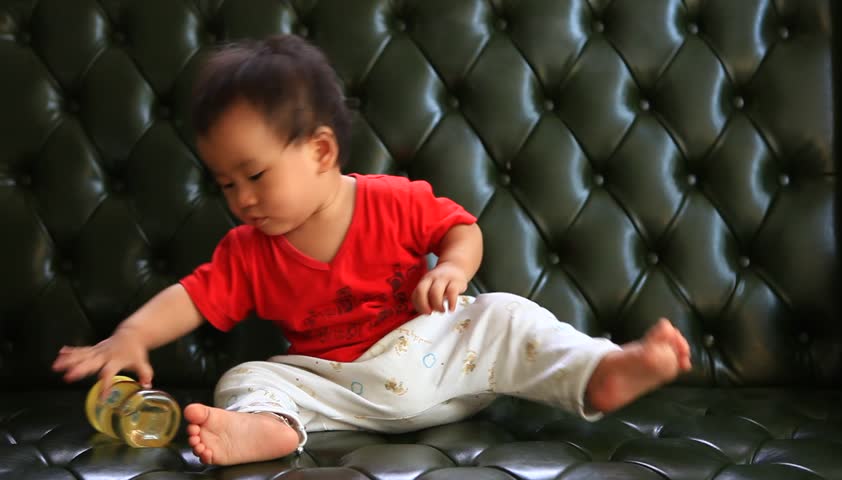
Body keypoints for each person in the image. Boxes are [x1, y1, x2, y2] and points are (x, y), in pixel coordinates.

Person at [52, 34, 692, 466]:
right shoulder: (249, 251)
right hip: (339, 387)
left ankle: (600, 372)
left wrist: (455, 268)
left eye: (254, 175)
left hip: (434, 358)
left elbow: (462, 229)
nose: (241, 199)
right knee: (244, 377)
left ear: (321, 152)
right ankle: (272, 431)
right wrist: (132, 334)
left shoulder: (393, 201)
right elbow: (191, 297)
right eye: (225, 184)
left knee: (502, 315)